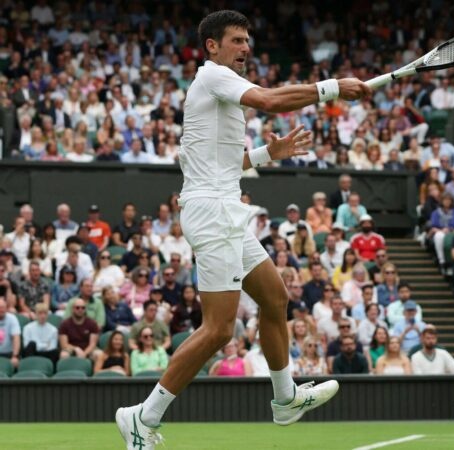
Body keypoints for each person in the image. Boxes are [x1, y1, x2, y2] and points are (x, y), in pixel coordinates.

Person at [116, 11, 371, 445]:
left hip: (223, 208)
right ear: (213, 46)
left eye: (247, 40)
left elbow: (227, 163)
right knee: (218, 329)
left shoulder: (217, 91)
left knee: (275, 299)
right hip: (212, 213)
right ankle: (144, 415)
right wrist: (332, 88)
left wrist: (273, 153)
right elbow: (270, 101)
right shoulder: (214, 76)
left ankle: (285, 398)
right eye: (236, 40)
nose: (245, 47)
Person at [0, 298, 21, 367]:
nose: (1, 310)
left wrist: (15, 356)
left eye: (3, 307)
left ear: (6, 308)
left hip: (8, 353)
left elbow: (16, 338)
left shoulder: (12, 319)